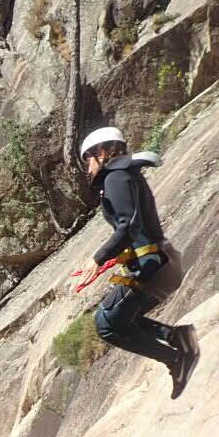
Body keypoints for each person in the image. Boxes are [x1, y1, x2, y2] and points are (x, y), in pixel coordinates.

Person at [76, 126, 199, 399]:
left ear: (102, 152)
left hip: (152, 266)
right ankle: (177, 339)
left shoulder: (115, 178)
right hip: (162, 263)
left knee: (107, 323)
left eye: (88, 159)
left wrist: (98, 259)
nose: (87, 168)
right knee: (119, 318)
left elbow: (128, 226)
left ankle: (177, 357)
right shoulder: (127, 175)